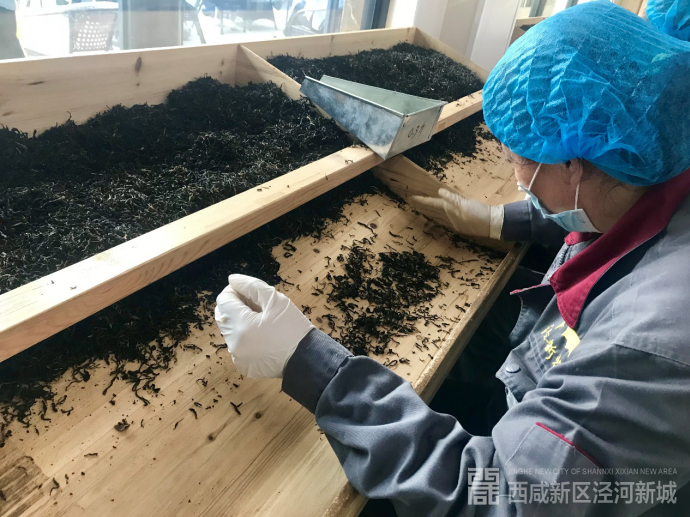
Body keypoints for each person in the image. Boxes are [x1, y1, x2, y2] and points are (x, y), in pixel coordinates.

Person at [215, 2, 690, 515]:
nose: (517, 179)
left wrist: (313, 366)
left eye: (517, 159)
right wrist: (495, 221)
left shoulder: (649, 343)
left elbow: (499, 499)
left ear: (574, 163)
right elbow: (604, 208)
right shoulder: (657, 171)